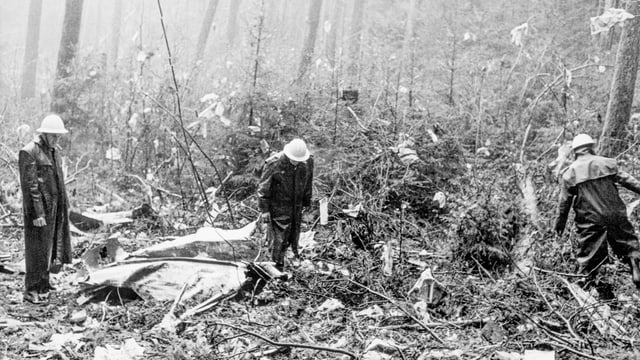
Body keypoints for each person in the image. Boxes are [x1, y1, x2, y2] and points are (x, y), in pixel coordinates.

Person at [555, 134, 640, 288]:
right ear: (591, 147)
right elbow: (629, 181)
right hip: (615, 213)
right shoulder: (606, 163)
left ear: (575, 151)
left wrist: (559, 224)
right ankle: (634, 264)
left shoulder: (570, 173)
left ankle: (587, 280)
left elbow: (564, 203)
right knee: (627, 241)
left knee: (589, 250)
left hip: (590, 218)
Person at [18, 114, 72, 304]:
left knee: (50, 248)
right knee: (36, 249)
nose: (57, 139)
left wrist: (64, 206)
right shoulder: (29, 152)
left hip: (54, 208)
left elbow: (58, 180)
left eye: (58, 136)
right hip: (40, 210)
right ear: (45, 134)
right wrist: (37, 213)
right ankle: (32, 288)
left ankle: (44, 283)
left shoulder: (53, 151)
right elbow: (30, 187)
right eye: (54, 135)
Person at [257, 138, 314, 271]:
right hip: (278, 206)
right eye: (293, 159)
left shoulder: (307, 161)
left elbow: (308, 182)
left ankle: (290, 257)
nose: (296, 162)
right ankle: (276, 265)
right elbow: (263, 188)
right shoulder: (273, 163)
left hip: (296, 204)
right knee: (279, 238)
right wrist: (264, 210)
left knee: (294, 233)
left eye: (298, 160)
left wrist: (306, 201)